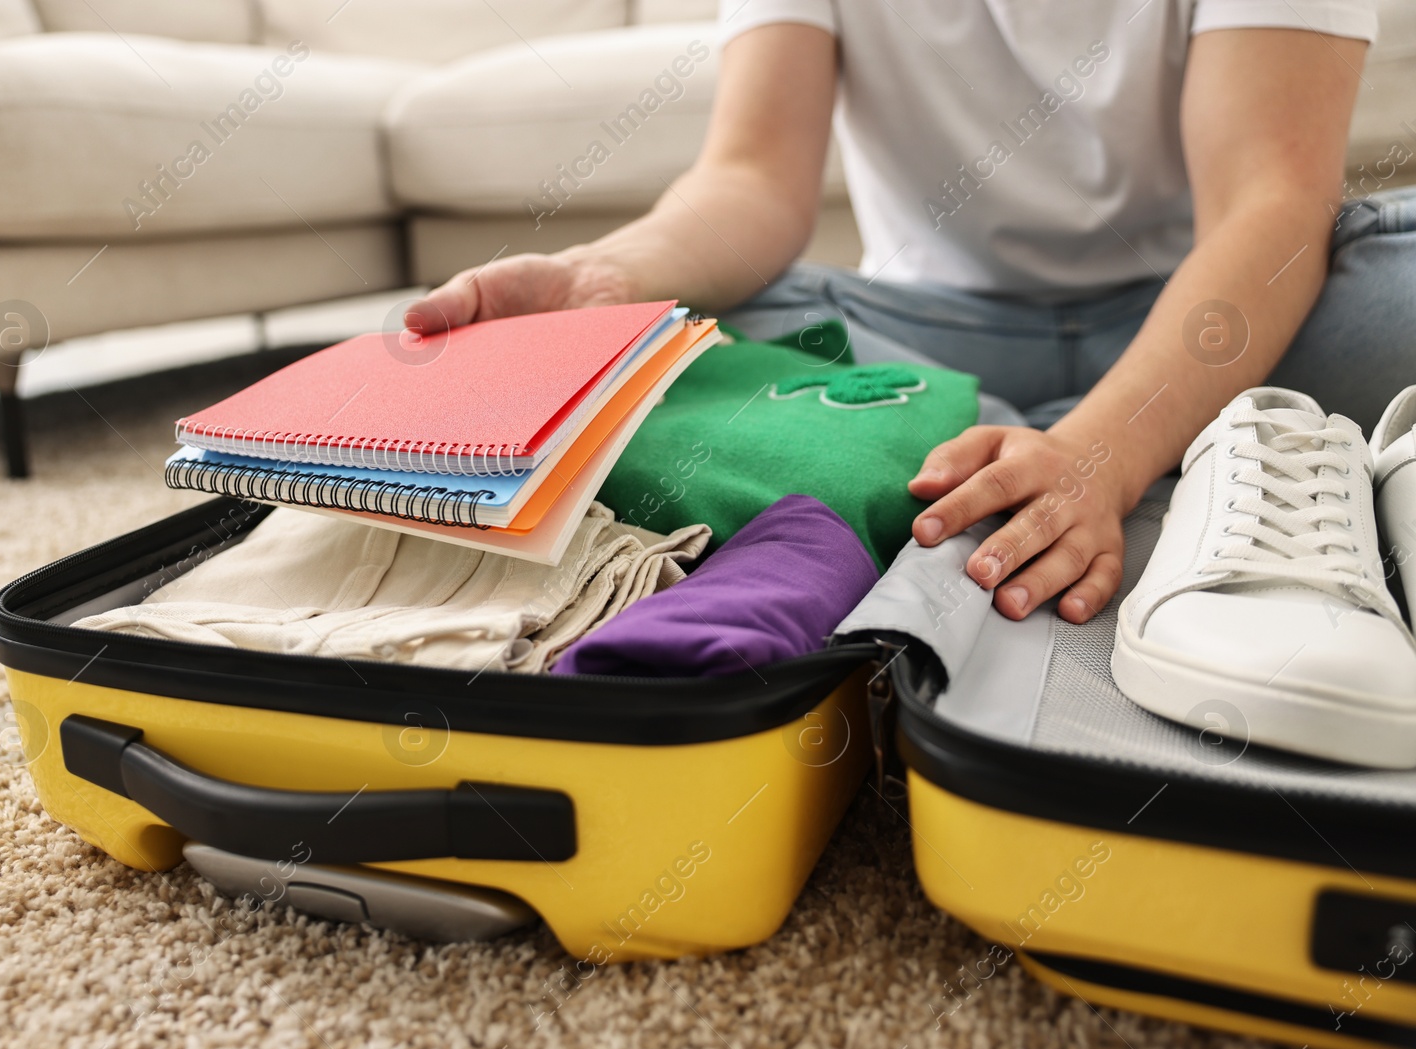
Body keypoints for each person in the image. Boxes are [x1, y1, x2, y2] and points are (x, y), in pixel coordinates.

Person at [408, 0, 1414, 625]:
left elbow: (1266, 204)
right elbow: (751, 179)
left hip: (1205, 311)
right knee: (683, 329)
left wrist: (1106, 449)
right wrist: (601, 279)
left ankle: (982, 444)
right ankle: (1134, 452)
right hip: (921, 327)